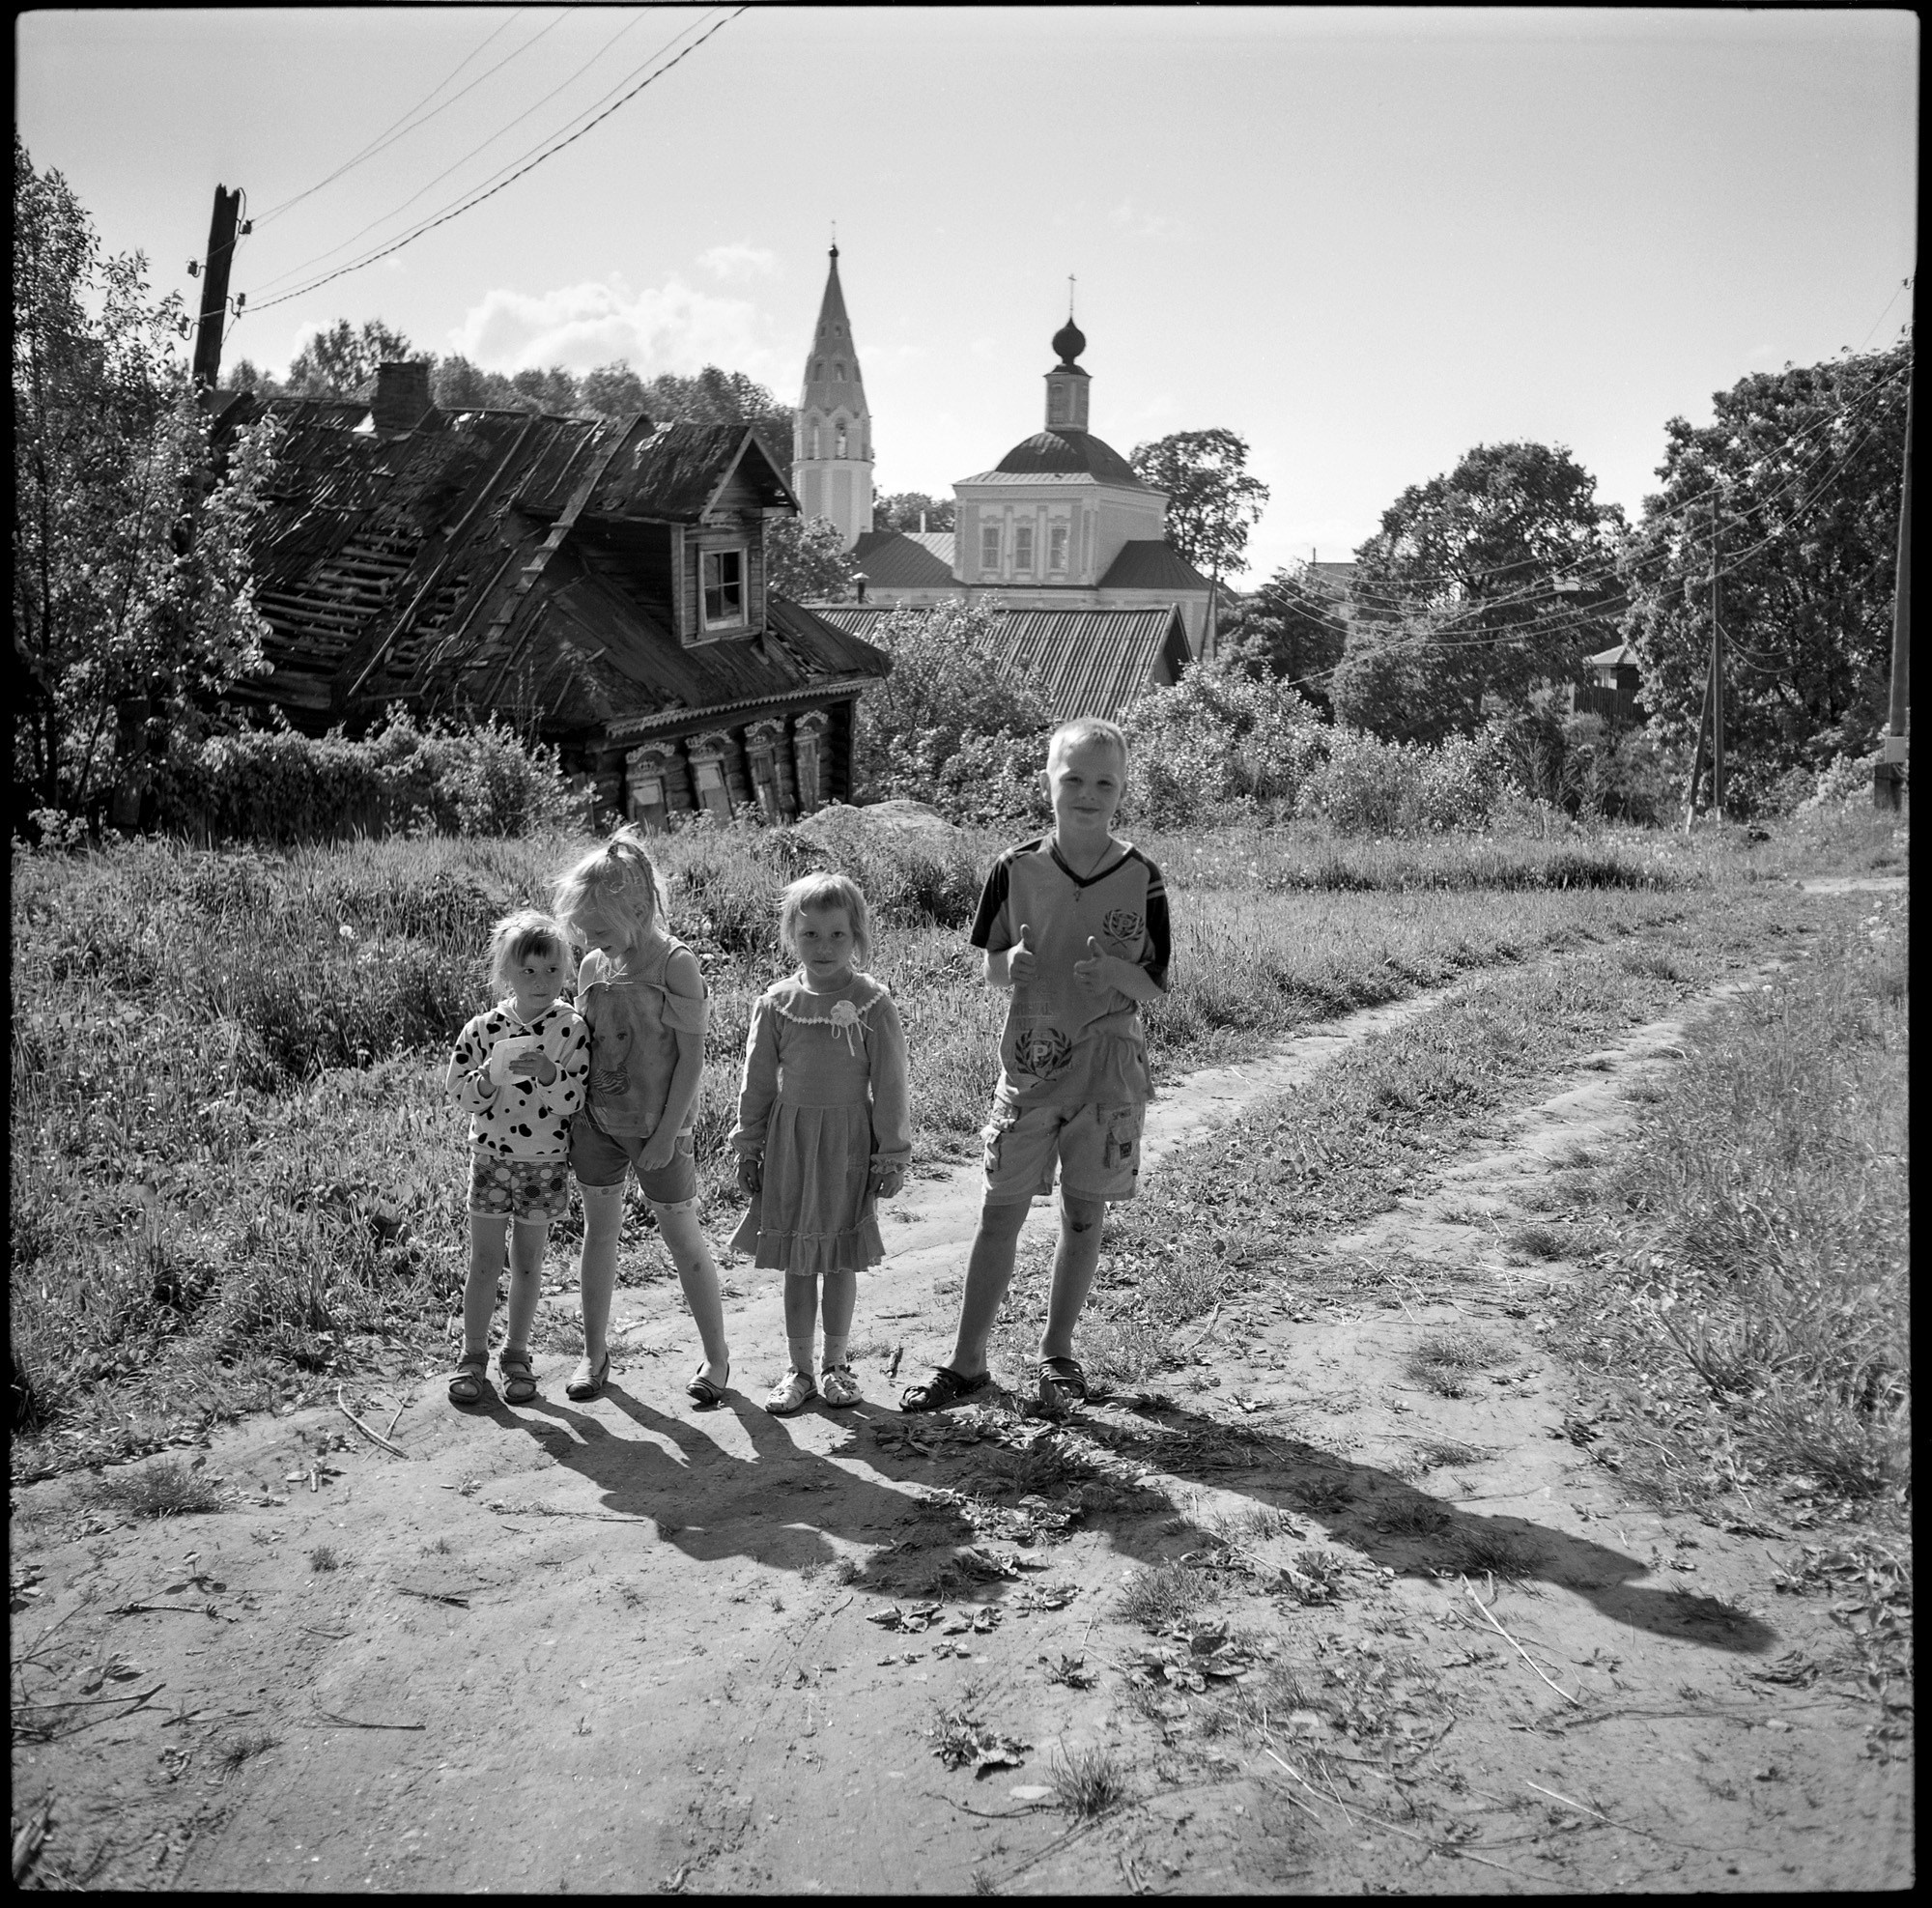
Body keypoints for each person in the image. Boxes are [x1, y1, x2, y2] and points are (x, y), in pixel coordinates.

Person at [899, 717, 1170, 1415]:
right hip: (1029, 1064)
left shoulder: (1143, 877)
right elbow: (991, 967)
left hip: (1108, 1074)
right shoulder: (1013, 868)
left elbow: (1154, 985)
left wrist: (1117, 970)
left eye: (1104, 781)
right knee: (1000, 1214)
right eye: (1073, 778)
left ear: (1123, 790)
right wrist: (1006, 965)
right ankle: (968, 1362)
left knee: (1084, 1217)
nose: (1088, 792)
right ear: (1047, 782)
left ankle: (1059, 1352)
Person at [553, 829, 732, 1408]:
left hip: (659, 1131)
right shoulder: (592, 968)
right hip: (597, 1127)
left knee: (682, 1236)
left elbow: (692, 1056)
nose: (589, 941)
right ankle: (595, 1352)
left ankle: (718, 1356)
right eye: (583, 933)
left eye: (598, 930)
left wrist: (665, 1133)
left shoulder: (675, 964)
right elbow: (586, 1049)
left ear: (638, 908)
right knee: (598, 1234)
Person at [730, 872, 910, 1414]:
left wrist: (892, 1153)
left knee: (839, 1260)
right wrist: (750, 1145)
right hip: (790, 1143)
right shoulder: (778, 1003)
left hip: (849, 1146)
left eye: (837, 935)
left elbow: (892, 1081)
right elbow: (757, 1080)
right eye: (810, 935)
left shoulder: (872, 1003)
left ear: (856, 936)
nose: (824, 947)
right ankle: (799, 1369)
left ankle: (835, 1366)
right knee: (797, 1262)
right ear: (791, 935)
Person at [444, 910, 590, 1407]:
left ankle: (517, 1354)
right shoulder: (483, 1028)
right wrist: (488, 1077)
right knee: (483, 1260)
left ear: (565, 971)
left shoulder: (571, 1029)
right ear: (506, 973)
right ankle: (472, 1355)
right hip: (491, 1157)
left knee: (528, 1262)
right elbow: (461, 1094)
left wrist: (549, 1074)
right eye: (528, 971)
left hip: (545, 1161)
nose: (541, 981)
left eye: (552, 970)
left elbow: (575, 1100)